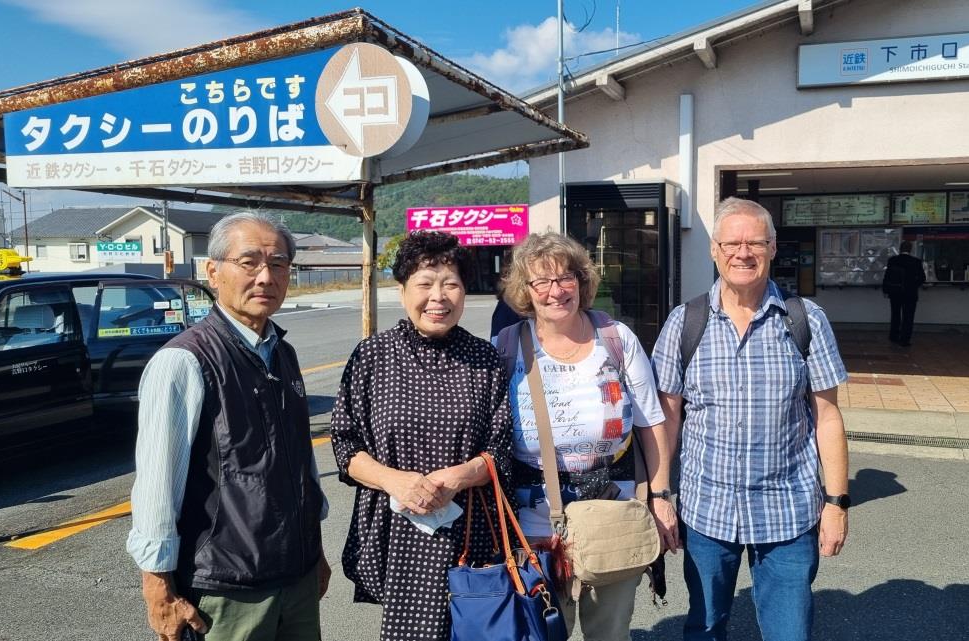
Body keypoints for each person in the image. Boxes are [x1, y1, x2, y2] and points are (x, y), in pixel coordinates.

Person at [652, 197, 849, 641]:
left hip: (788, 512)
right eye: (732, 243)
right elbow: (666, 417)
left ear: (773, 248)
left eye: (755, 243)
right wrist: (661, 494)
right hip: (707, 510)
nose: (743, 253)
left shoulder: (806, 320)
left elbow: (828, 417)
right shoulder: (684, 323)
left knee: (789, 633)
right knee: (704, 627)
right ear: (714, 250)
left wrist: (837, 504)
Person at [127, 212, 330, 641]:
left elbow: (300, 464)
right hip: (225, 588)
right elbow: (156, 484)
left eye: (278, 263)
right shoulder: (184, 361)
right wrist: (157, 587)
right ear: (213, 272)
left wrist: (315, 552)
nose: (266, 276)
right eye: (249, 262)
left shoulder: (283, 353)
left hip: (296, 576)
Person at [330, 230, 512, 641]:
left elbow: (501, 450)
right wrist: (394, 480)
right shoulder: (373, 356)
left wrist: (459, 477)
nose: (438, 297)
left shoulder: (484, 359)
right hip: (396, 530)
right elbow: (344, 444)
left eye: (451, 284)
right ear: (402, 291)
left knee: (477, 628)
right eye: (425, 284)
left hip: (468, 531)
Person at [497, 232, 678, 641]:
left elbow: (651, 422)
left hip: (613, 510)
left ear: (581, 281)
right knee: (542, 632)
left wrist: (661, 496)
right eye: (541, 281)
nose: (556, 290)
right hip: (533, 523)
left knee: (609, 633)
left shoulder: (615, 338)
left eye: (566, 277)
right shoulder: (507, 346)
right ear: (525, 289)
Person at [882, 240, 925, 347]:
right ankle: (904, 339)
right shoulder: (916, 261)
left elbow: (887, 276)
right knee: (908, 317)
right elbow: (922, 278)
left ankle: (894, 336)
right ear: (911, 249)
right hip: (910, 294)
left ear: (900, 249)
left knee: (895, 315)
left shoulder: (893, 260)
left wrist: (886, 290)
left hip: (895, 292)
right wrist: (913, 285)